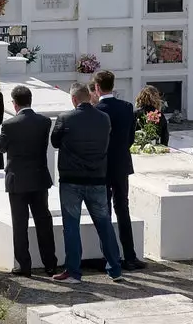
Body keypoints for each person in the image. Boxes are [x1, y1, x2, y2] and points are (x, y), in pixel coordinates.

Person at [49, 81, 121, 283]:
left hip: (71, 180)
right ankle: (115, 268)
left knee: (71, 226)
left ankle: (73, 271)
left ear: (73, 99)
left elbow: (55, 142)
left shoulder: (65, 118)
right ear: (89, 97)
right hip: (97, 178)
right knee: (104, 224)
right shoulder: (104, 118)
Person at [0, 85, 57, 278]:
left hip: (17, 180)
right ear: (30, 100)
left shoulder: (9, 125)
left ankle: (24, 265)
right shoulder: (44, 122)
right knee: (43, 221)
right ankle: (50, 264)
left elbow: (1, 148)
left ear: (14, 103)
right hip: (39, 178)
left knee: (20, 223)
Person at [92, 70, 143, 270]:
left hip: (102, 167)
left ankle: (110, 257)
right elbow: (130, 138)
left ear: (96, 87)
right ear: (113, 85)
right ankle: (130, 256)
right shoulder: (127, 107)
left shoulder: (97, 110)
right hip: (121, 164)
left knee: (104, 213)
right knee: (123, 209)